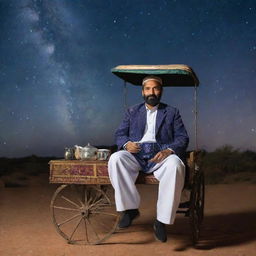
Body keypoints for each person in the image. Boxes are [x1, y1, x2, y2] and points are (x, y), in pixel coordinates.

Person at [108, 75, 189, 242]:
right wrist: (126, 145)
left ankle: (161, 221)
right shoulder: (132, 111)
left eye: (156, 88)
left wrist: (168, 151)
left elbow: (182, 138)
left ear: (161, 91)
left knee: (175, 166)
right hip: (135, 155)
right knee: (116, 159)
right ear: (142, 91)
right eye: (148, 88)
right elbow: (120, 134)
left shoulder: (172, 112)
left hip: (160, 157)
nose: (152, 92)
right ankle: (130, 209)